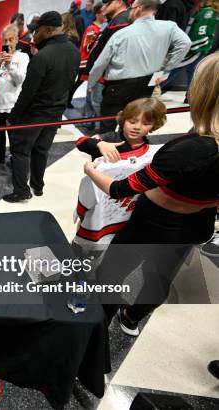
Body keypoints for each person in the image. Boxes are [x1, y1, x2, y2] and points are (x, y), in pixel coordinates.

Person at [83, 53, 219, 337]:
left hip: (154, 223)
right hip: (197, 224)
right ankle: (132, 316)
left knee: (111, 277)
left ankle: (94, 336)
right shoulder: (198, 146)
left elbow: (120, 188)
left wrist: (90, 169)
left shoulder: (192, 150)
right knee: (160, 277)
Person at [5, 11, 80, 203]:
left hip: (35, 112)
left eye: (36, 31)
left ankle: (21, 191)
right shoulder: (74, 51)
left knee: (21, 150)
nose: (33, 35)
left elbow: (28, 92)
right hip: (56, 111)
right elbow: (71, 83)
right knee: (41, 149)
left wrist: (13, 116)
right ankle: (37, 186)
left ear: (47, 30)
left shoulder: (42, 56)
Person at [74, 98, 167, 251]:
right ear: (123, 120)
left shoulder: (151, 151)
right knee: (88, 237)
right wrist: (98, 144)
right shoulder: (109, 139)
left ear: (153, 126)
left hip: (125, 204)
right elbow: (80, 142)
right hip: (98, 200)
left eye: (145, 123)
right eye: (132, 121)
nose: (137, 127)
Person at [88, 0, 191, 133]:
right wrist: (166, 68)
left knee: (108, 126)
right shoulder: (169, 27)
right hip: (146, 83)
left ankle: (108, 151)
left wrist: (91, 82)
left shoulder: (122, 34)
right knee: (136, 123)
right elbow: (185, 43)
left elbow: (100, 63)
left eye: (131, 7)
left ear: (138, 8)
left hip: (118, 86)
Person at [0, 24, 29, 166]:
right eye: (5, 40)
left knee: (13, 135)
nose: (7, 43)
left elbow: (20, 80)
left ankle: (15, 158)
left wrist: (10, 65)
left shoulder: (22, 57)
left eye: (11, 40)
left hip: (12, 104)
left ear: (16, 39)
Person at [161, 0, 217, 94]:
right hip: (197, 47)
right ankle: (190, 96)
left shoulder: (207, 11)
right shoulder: (209, 12)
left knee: (179, 69)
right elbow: (201, 32)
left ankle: (155, 88)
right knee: (189, 71)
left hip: (195, 47)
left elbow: (200, 32)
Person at [69, 2, 105, 112]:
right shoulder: (92, 29)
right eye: (103, 12)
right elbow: (88, 46)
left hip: (91, 62)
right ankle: (67, 99)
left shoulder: (99, 28)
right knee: (79, 82)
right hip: (86, 62)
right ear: (98, 14)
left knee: (87, 86)